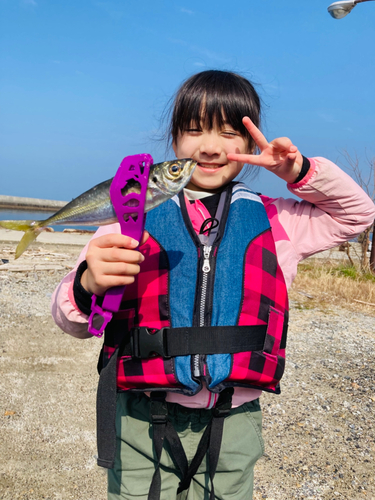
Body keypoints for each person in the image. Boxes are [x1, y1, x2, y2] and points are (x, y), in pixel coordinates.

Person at [51, 70, 375, 500]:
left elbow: (357, 216)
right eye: (194, 130)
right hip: (140, 420)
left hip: (234, 420)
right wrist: (87, 282)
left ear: (249, 145)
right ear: (174, 142)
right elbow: (71, 319)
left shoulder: (280, 221)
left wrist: (299, 171)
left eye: (229, 132)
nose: (210, 146)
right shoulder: (129, 218)